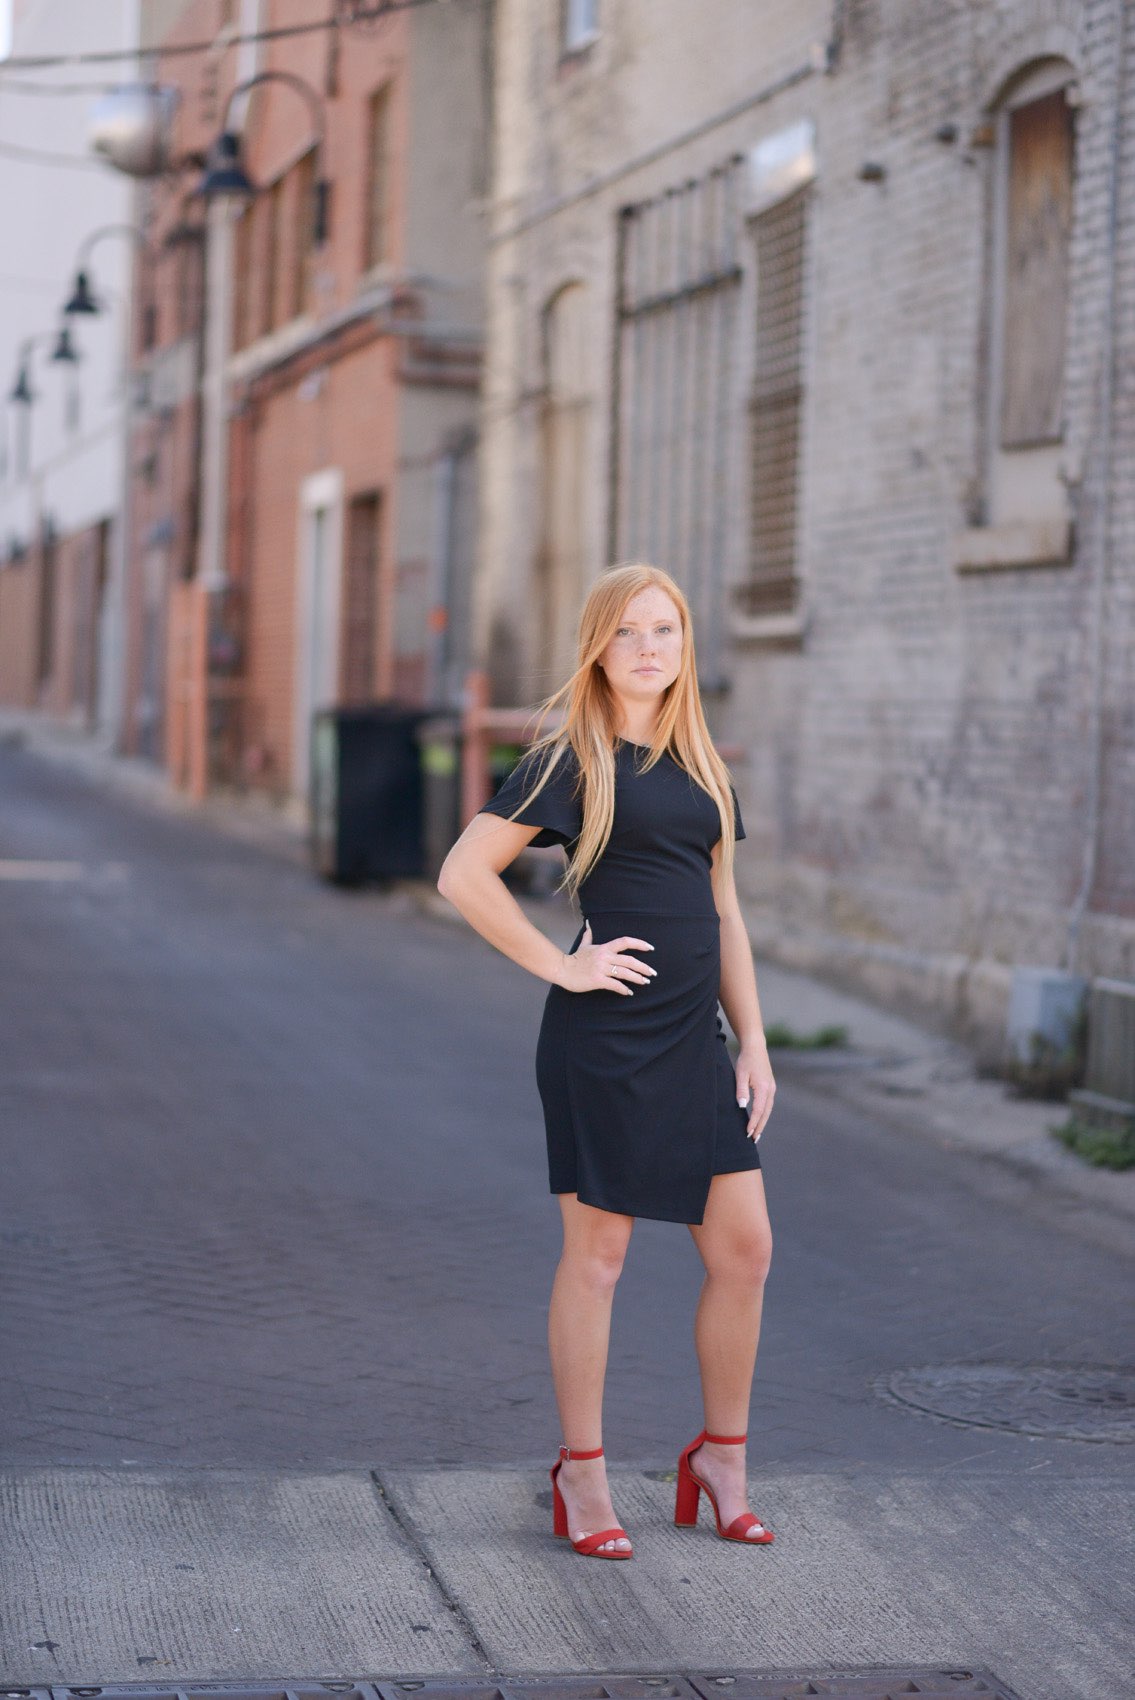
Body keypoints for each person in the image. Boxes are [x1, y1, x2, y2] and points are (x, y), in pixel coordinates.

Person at [436, 562, 776, 1560]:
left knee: (744, 1250)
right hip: (607, 1045)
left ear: (684, 647)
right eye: (627, 631)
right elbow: (466, 872)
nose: (647, 648)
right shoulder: (568, 761)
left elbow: (725, 912)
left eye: (664, 630)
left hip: (696, 1044)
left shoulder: (704, 765)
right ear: (597, 645)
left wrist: (752, 1039)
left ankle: (720, 1460)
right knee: (599, 1258)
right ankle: (579, 1472)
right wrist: (560, 964)